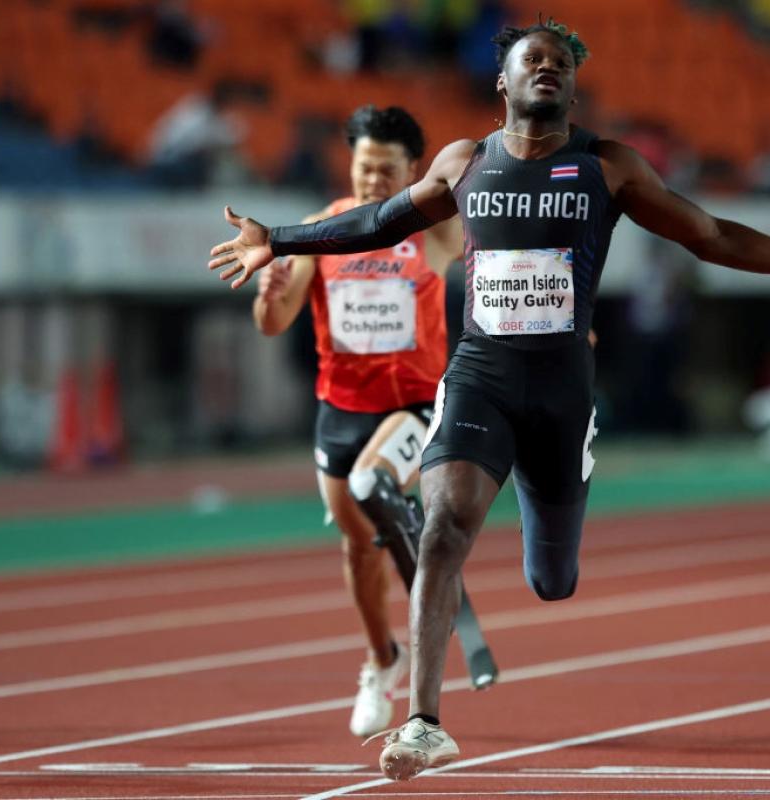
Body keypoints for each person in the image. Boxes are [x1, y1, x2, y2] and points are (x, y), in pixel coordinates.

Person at [208, 19, 770, 781]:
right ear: (501, 84)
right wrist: (276, 238)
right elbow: (378, 221)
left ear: (572, 87)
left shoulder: (609, 167)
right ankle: (424, 723)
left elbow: (710, 236)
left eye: (558, 63)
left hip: (561, 391)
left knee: (553, 580)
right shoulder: (464, 163)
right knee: (443, 525)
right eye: (530, 60)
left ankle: (555, 506)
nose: (547, 68)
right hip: (479, 374)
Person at [250, 104, 462, 739]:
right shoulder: (323, 228)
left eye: (387, 170)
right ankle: (382, 658)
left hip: (417, 403)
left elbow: (498, 262)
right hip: (341, 408)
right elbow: (274, 323)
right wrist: (270, 296)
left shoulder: (436, 232)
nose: (373, 180)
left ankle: (427, 556)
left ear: (412, 170)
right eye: (364, 166)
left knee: (376, 486)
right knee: (356, 541)